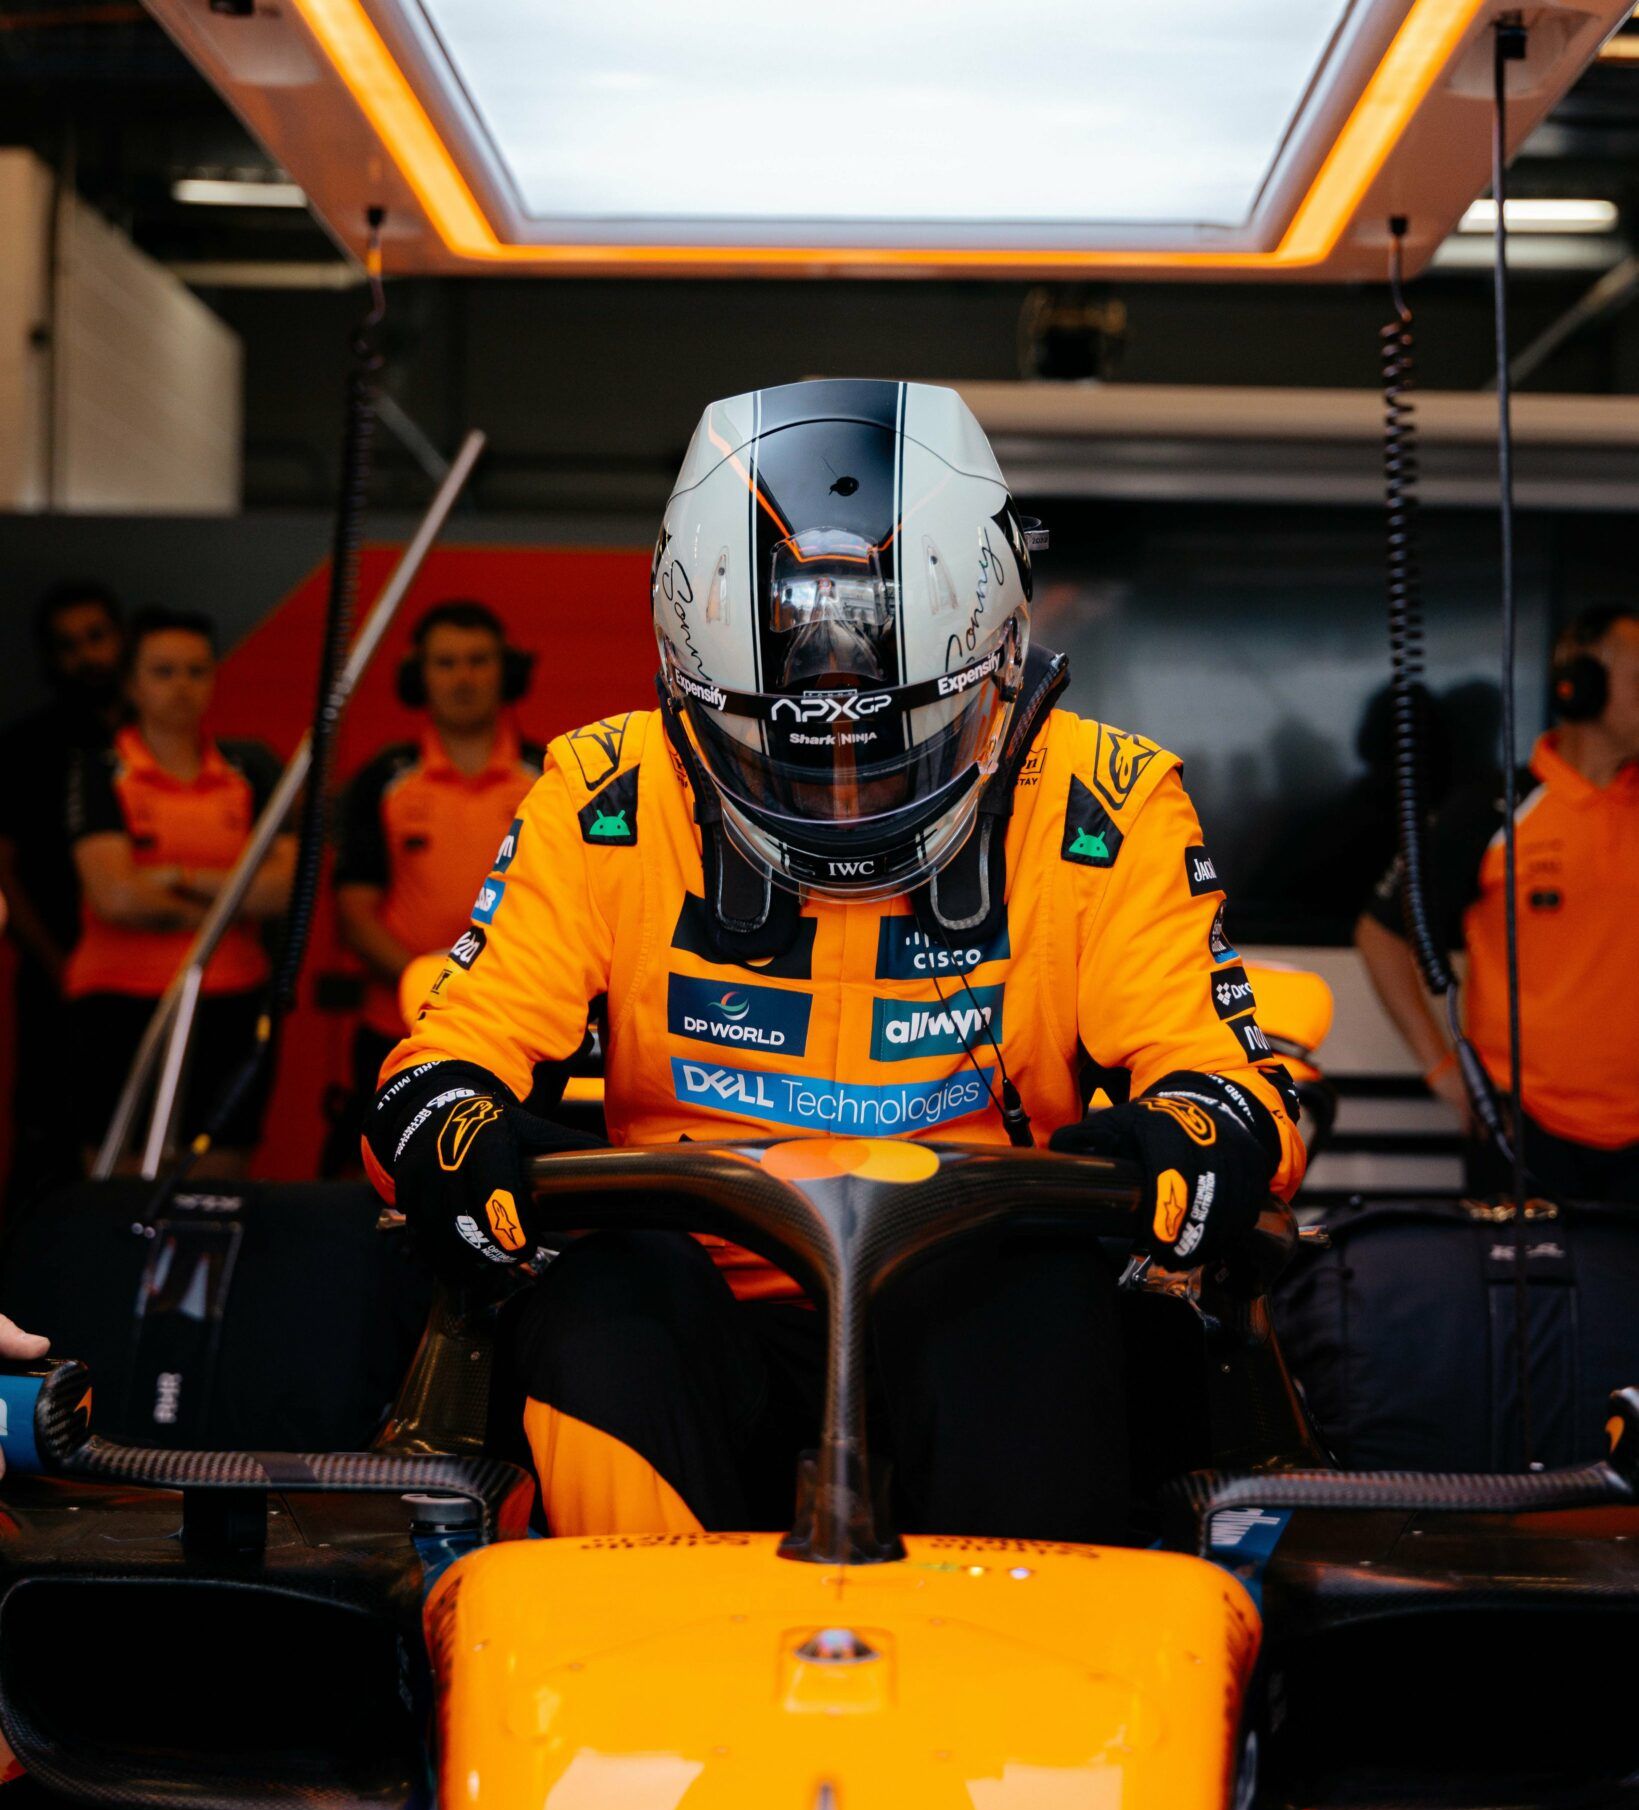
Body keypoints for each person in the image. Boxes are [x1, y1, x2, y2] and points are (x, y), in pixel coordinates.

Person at [364, 381, 1306, 1545]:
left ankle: (1016, 1643)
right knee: (604, 1295)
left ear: (1000, 665)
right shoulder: (606, 793)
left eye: (894, 748)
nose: (847, 795)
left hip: (977, 1301)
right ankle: (642, 1642)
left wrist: (1203, 1125)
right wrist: (447, 1117)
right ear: (687, 692)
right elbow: (451, 1049)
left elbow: (1224, 1076)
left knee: (1035, 1289)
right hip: (697, 1309)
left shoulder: (1100, 800)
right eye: (789, 757)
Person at [1356, 604, 1639, 1202]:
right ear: (1581, 686)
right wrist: (1445, 1072)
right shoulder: (1493, 810)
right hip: (1527, 1132)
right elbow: (1381, 935)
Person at [64, 608, 295, 1175]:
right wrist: (233, 901)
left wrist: (178, 878)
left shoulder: (251, 768)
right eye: (163, 671)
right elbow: (116, 898)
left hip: (232, 994)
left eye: (196, 670)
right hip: (121, 998)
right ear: (132, 683)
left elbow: (283, 891)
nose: (182, 686)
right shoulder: (102, 769)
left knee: (217, 1177)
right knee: (117, 1177)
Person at [330, 602, 545, 1170]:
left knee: (511, 1177)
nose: (463, 677)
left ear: (507, 671)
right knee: (388, 1181)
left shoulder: (551, 775)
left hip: (520, 1028)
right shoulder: (383, 779)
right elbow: (354, 912)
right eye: (446, 663)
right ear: (417, 676)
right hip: (397, 1029)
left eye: (478, 660)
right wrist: (428, 991)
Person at [0, 581, 126, 1210]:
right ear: (50, 658)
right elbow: (5, 869)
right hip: (57, 977)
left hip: (151, 982)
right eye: (69, 645)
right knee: (49, 1145)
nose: (87, 657)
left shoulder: (152, 737)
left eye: (96, 638)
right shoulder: (26, 747)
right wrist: (57, 965)